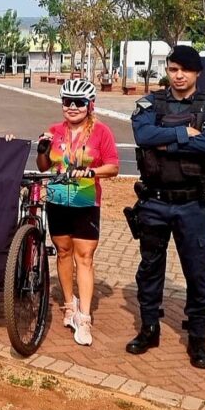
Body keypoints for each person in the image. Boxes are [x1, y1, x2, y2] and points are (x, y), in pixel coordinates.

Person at [126, 45, 205, 369]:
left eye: (185, 69)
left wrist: (164, 141)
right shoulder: (150, 102)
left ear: (197, 72)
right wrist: (183, 133)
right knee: (150, 269)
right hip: (155, 201)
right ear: (167, 71)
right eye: (173, 69)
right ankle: (149, 329)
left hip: (193, 204)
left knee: (197, 273)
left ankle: (198, 340)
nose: (178, 75)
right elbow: (143, 135)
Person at [35, 78, 120, 346]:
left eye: (78, 103)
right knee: (62, 253)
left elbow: (114, 166)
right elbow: (43, 167)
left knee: (84, 258)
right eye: (66, 102)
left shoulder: (101, 132)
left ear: (90, 105)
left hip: (85, 202)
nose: (72, 107)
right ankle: (69, 305)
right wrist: (42, 150)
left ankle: (84, 317)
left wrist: (92, 171)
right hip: (58, 200)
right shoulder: (54, 131)